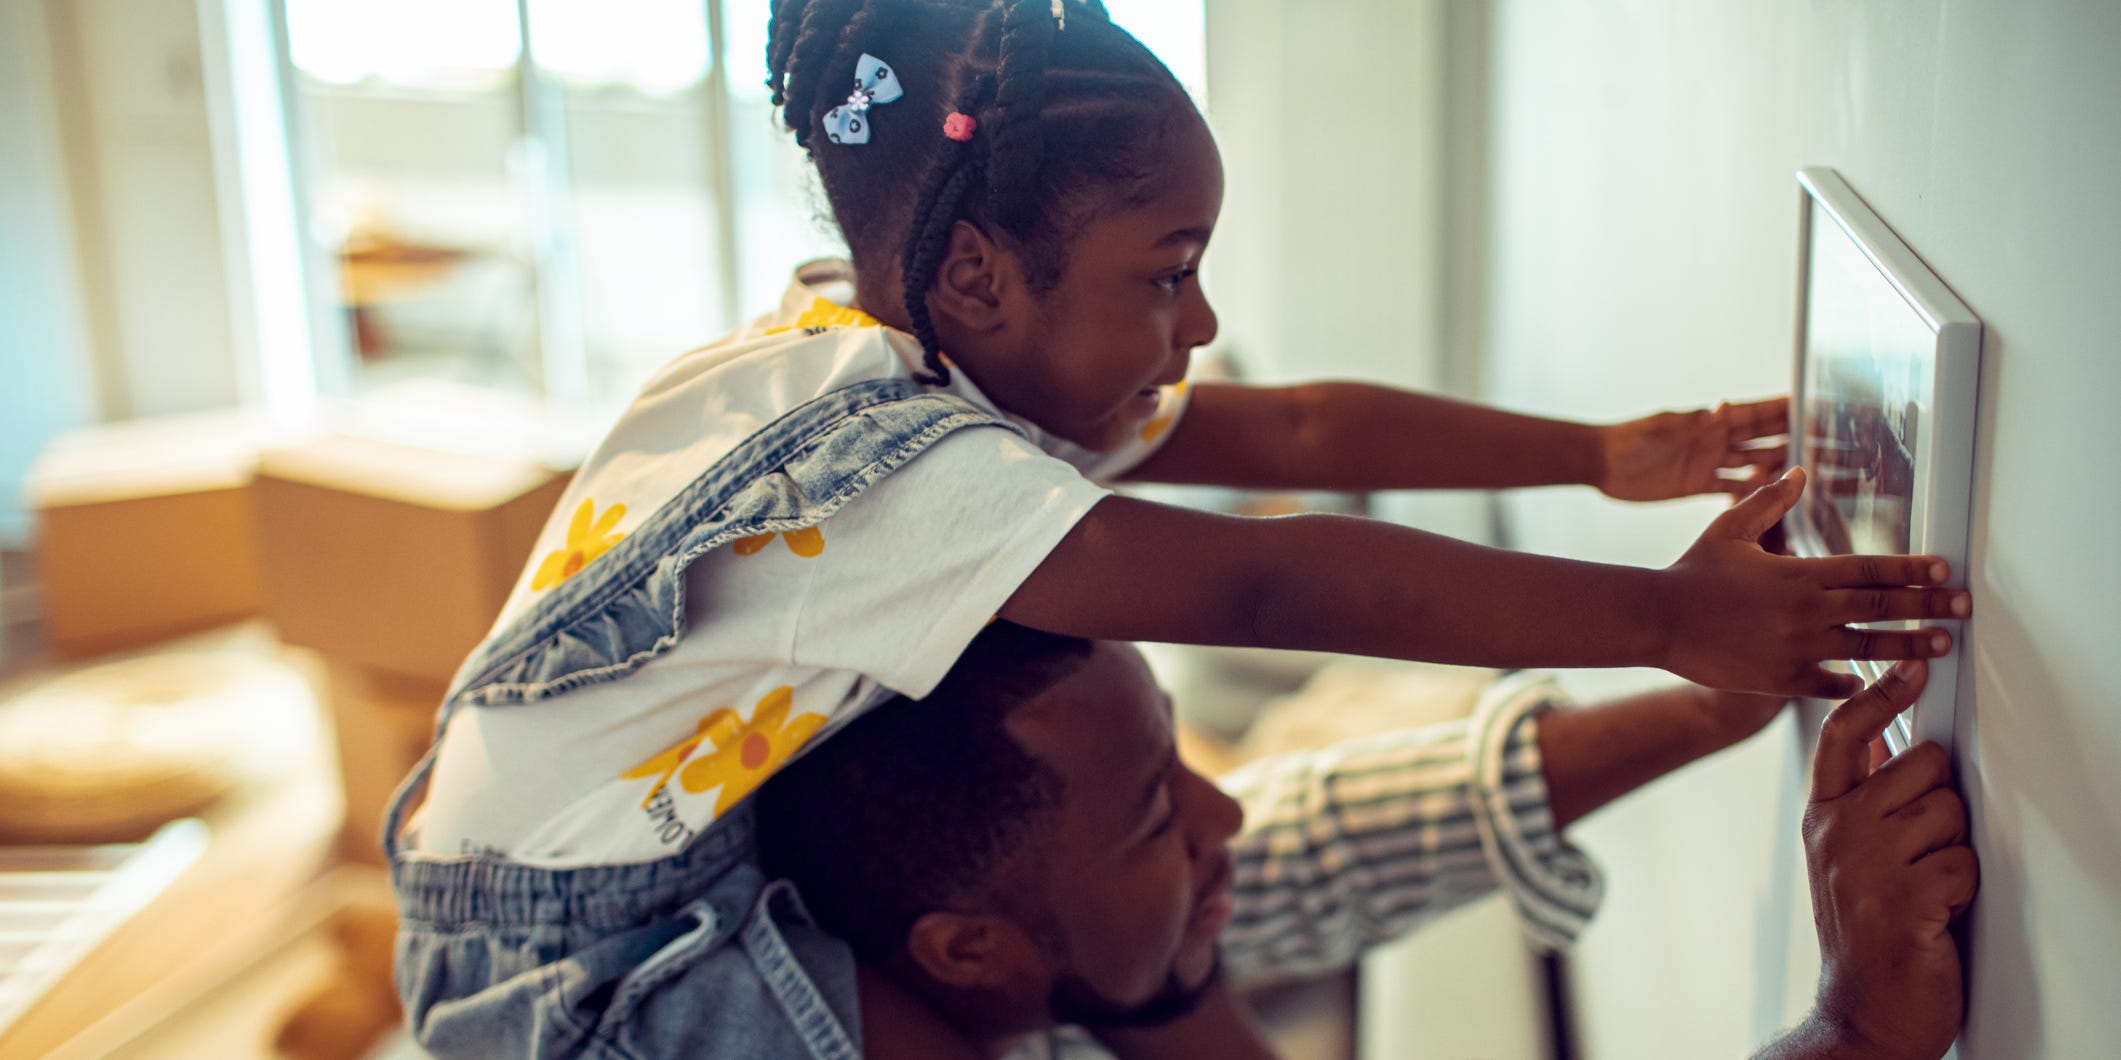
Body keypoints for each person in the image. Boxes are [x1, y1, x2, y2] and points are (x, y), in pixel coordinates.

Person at [385, 2, 1971, 1056]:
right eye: (1167, 269)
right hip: (572, 970)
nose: (1201, 320)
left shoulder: (902, 357)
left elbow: (1294, 437)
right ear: (978, 279)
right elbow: (1269, 570)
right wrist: (1659, 616)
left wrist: (1603, 455)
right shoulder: (895, 477)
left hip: (591, 863)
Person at [757, 623, 1977, 1060]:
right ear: (967, 951)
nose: (1221, 809)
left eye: (1183, 758)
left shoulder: (1044, 947)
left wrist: (1715, 707)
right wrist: (1856, 1032)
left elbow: (1318, 839)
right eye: (1152, 811)